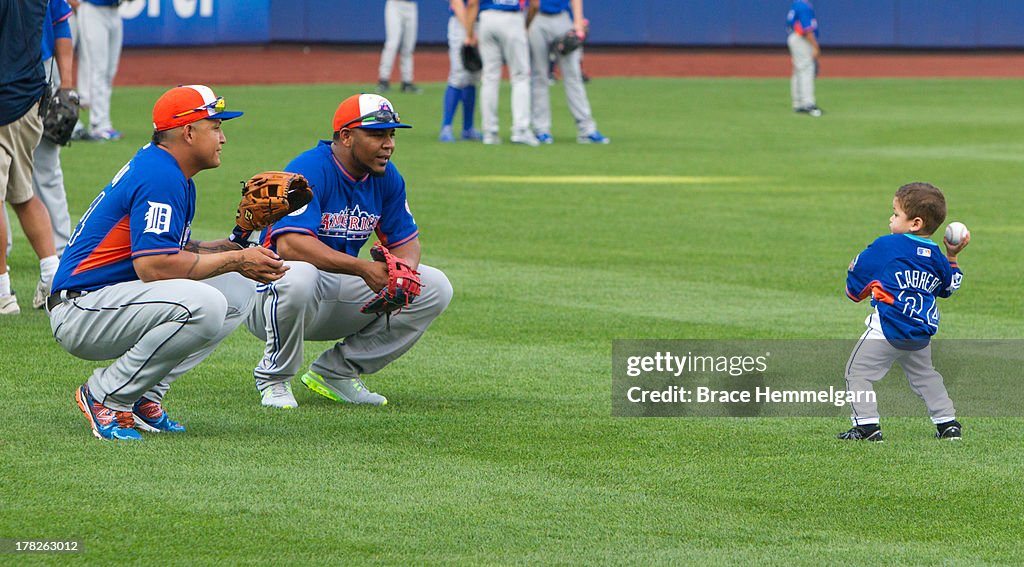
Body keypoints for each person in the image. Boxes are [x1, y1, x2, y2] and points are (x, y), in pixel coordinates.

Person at [49, 85, 289, 441]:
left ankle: (143, 395)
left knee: (237, 288)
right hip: (83, 308)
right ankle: (106, 395)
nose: (223, 138)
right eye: (216, 126)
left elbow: (164, 247)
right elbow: (154, 266)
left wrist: (225, 246)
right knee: (205, 304)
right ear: (189, 132)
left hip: (110, 299)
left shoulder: (166, 169)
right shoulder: (161, 176)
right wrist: (236, 258)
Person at [245, 93, 453, 409]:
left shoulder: (386, 177)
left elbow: (406, 242)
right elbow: (291, 245)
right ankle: (274, 380)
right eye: (377, 134)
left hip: (333, 291)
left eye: (392, 134)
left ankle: (337, 372)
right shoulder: (309, 169)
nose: (389, 144)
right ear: (346, 136)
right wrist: (364, 269)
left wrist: (403, 270)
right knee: (298, 274)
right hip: (270, 297)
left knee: (434, 286)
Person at [839, 183, 969, 442]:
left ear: (915, 223)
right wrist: (952, 256)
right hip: (919, 332)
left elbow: (855, 287)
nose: (891, 218)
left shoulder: (887, 246)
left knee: (858, 373)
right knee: (926, 377)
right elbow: (950, 286)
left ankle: (866, 426)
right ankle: (947, 423)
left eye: (896, 214)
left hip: (886, 329)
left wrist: (855, 284)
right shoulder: (936, 257)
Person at [0, 0, 60, 316]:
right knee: (23, 194)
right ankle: (53, 278)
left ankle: (2, 293)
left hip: (5, 99)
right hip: (31, 98)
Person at [528, 0, 608, 144]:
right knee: (539, 76)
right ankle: (541, 129)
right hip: (537, 18)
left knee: (573, 75)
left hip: (562, 18)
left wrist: (578, 22)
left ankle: (586, 129)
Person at [465, 0, 540, 146]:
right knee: (520, 76)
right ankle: (521, 130)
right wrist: (526, 26)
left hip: (487, 19)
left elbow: (472, 3)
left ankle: (489, 132)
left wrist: (469, 34)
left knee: (489, 77)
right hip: (512, 17)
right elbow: (535, 4)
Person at [76, 0, 131, 140]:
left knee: (110, 71)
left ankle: (104, 123)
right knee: (98, 69)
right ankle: (98, 125)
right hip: (92, 10)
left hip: (114, 11)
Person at [439, 0, 482, 143]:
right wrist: (469, 31)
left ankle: (468, 128)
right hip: (460, 23)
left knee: (473, 76)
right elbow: (457, 4)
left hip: (479, 22)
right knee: (458, 75)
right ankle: (446, 127)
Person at [377, 0, 422, 94]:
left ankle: (407, 82)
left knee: (408, 47)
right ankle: (383, 80)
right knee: (392, 44)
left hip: (411, 5)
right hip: (395, 5)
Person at [786, 1, 822, 116]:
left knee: (798, 70)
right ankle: (808, 104)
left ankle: (798, 103)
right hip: (802, 40)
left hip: (794, 38)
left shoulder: (797, 4)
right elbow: (807, 29)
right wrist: (815, 46)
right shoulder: (804, 7)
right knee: (806, 70)